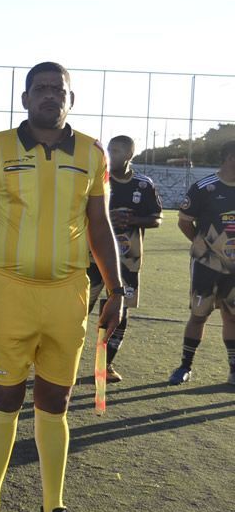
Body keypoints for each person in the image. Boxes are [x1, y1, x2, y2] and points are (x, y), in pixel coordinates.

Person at [0, 62, 122, 512]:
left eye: (59, 90)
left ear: (71, 99)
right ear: (25, 98)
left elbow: (99, 224)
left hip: (68, 295)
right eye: (41, 88)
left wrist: (117, 290)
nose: (50, 95)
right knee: (5, 399)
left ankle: (52, 511)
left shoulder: (92, 152)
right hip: (9, 292)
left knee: (56, 403)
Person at [86, 135, 161, 382]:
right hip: (93, 259)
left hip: (128, 261)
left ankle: (104, 365)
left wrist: (133, 220)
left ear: (129, 155)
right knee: (77, 311)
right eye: (109, 149)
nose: (110, 155)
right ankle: (62, 361)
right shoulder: (97, 178)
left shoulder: (143, 185)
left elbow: (156, 218)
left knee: (119, 314)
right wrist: (107, 218)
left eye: (116, 151)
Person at [169, 140, 235, 386]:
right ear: (230, 158)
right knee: (198, 315)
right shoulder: (204, 188)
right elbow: (184, 222)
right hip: (206, 266)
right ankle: (185, 367)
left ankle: (234, 370)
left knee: (232, 316)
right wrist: (203, 246)